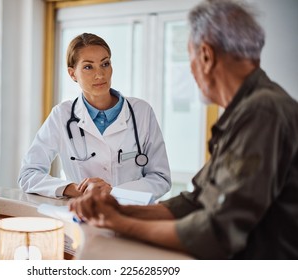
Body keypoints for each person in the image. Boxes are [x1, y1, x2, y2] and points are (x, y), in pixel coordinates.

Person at [69, 0, 298, 259]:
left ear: (206, 57)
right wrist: (119, 209)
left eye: (190, 57)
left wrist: (118, 223)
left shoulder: (263, 111)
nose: (190, 69)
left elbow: (216, 232)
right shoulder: (243, 113)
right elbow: (195, 201)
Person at [18, 33, 171, 201]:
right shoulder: (61, 115)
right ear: (72, 74)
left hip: (132, 216)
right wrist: (74, 189)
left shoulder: (141, 111)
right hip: (82, 216)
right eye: (88, 67)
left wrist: (113, 192)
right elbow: (28, 175)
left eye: (105, 64)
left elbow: (161, 178)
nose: (100, 74)